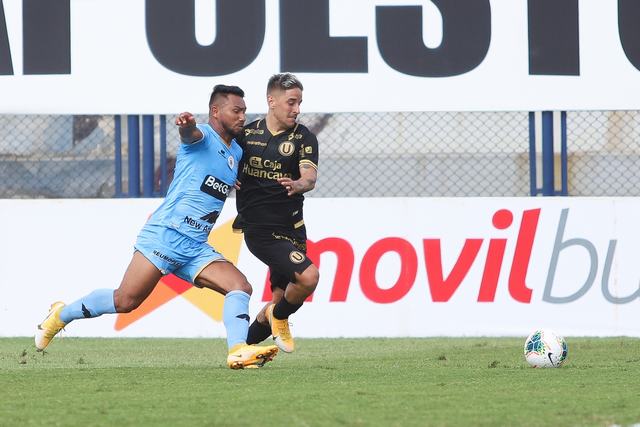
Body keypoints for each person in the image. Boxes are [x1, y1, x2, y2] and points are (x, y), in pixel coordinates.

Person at [35, 85, 279, 369]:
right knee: (125, 301)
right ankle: (61, 315)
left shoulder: (235, 151)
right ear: (215, 111)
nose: (242, 117)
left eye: (244, 111)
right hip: (165, 235)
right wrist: (186, 126)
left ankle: (238, 350)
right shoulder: (201, 136)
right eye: (236, 111)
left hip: (195, 246)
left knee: (240, 286)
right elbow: (190, 135)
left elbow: (218, 178)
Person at [233, 73, 319, 353]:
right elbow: (224, 164)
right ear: (272, 101)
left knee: (281, 298)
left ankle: (244, 350)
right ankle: (278, 317)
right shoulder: (247, 135)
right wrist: (227, 176)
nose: (297, 109)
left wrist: (299, 184)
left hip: (293, 228)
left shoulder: (303, 137)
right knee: (308, 277)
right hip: (260, 229)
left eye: (299, 103)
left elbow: (309, 177)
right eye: (291, 102)